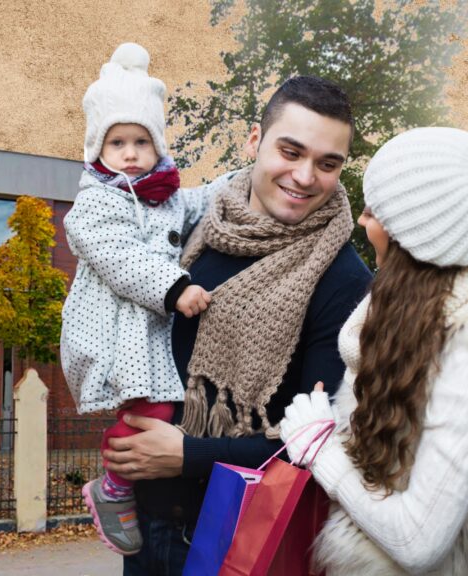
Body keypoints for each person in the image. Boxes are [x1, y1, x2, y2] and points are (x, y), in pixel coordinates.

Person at [102, 76, 373, 575]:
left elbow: (320, 440)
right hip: (145, 524)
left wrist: (189, 454)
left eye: (327, 163)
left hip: (237, 536)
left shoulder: (344, 279)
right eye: (290, 151)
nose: (305, 176)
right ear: (255, 140)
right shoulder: (192, 223)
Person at [280, 127, 468, 575]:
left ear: (416, 235)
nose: (363, 221)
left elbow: (416, 541)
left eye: (374, 211)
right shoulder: (416, 316)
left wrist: (320, 449)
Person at [60, 42, 217, 556]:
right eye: (117, 142)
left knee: (162, 407)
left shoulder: (165, 194)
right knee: (154, 408)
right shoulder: (93, 203)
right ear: (98, 150)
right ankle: (113, 486)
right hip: (114, 331)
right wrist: (176, 289)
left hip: (147, 332)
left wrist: (246, 178)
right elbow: (120, 258)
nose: (130, 153)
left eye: (141, 141)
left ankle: (120, 485)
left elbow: (200, 201)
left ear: (158, 146)